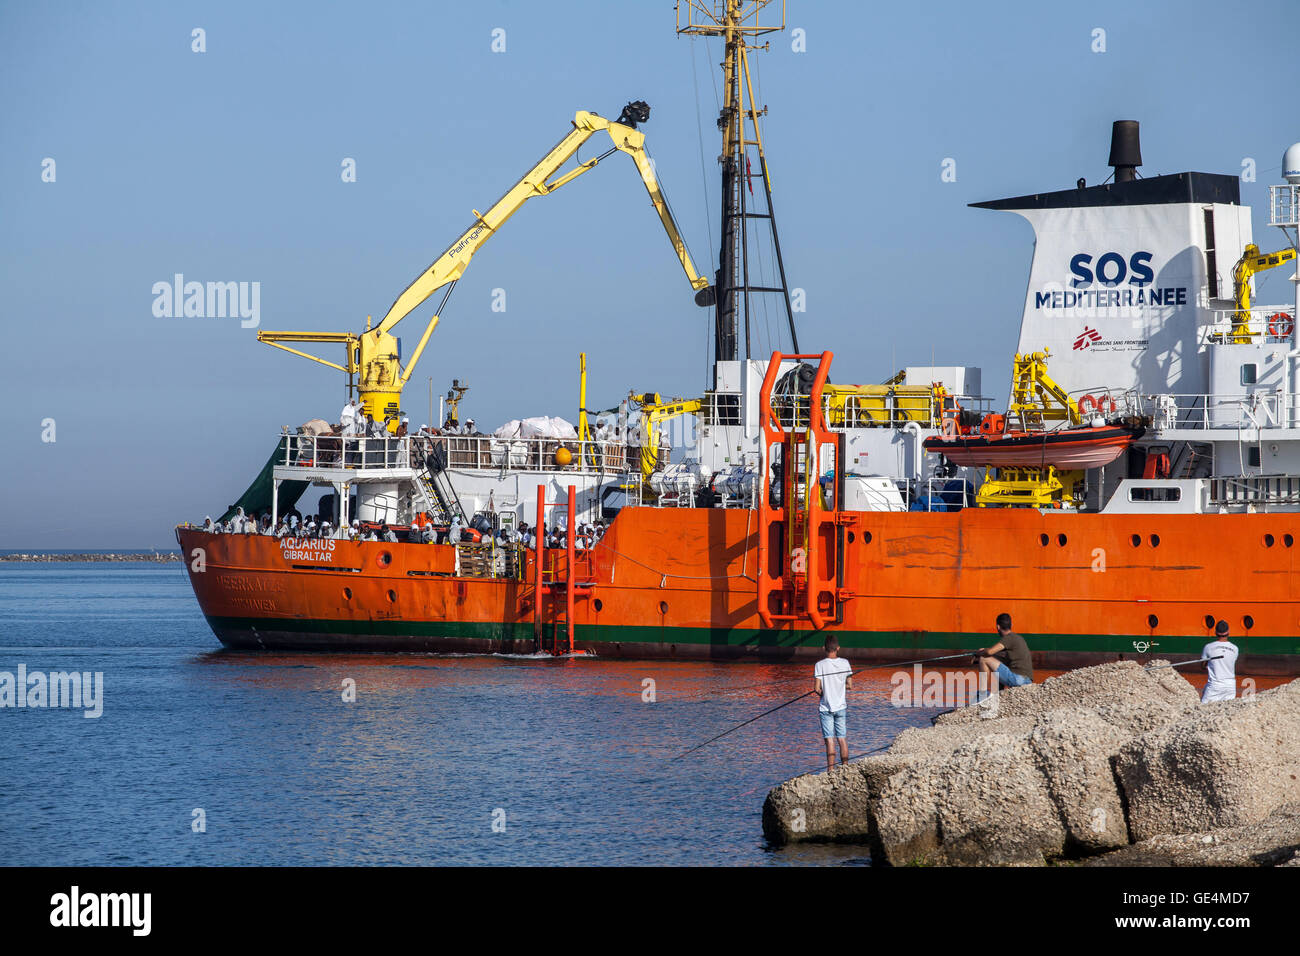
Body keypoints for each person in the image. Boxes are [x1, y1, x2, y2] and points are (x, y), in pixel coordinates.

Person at [974, 613, 1034, 702]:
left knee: (984, 659)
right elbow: (999, 660)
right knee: (998, 664)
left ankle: (982, 695)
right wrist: (985, 654)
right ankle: (998, 695)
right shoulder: (1018, 638)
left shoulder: (1009, 638)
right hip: (1027, 681)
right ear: (1011, 625)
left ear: (998, 627)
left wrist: (980, 653)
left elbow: (990, 652)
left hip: (1019, 680)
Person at [814, 635, 853, 772]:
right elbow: (850, 685)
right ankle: (845, 768)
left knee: (829, 740)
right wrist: (839, 686)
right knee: (842, 739)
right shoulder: (845, 663)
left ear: (824, 648)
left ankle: (830, 771)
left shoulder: (819, 665)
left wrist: (824, 691)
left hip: (825, 707)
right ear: (838, 648)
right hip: (841, 707)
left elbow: (816, 689)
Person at [1200, 620, 1240, 703]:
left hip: (1215, 685)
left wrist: (1208, 661)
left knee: (1202, 709)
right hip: (1230, 685)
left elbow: (1203, 666)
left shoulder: (1208, 647)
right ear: (1228, 632)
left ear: (1215, 632)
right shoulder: (1235, 648)